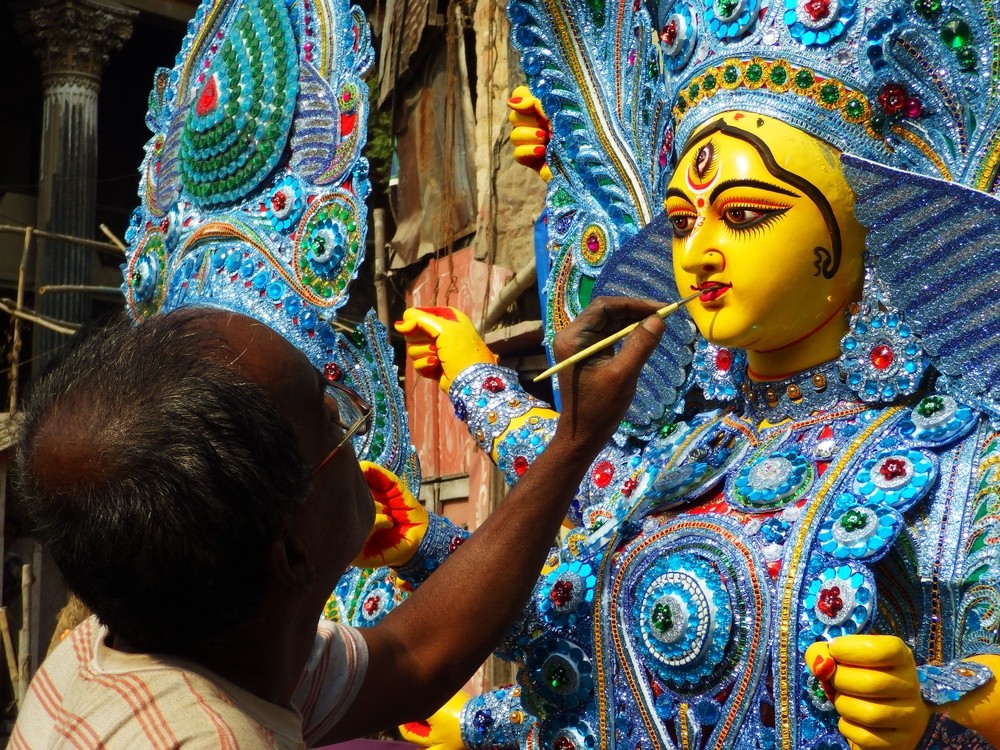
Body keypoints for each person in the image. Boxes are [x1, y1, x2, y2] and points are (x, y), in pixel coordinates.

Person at [389, 95, 1000, 750]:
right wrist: (423, 542)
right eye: (682, 222)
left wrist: (928, 710)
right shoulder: (681, 452)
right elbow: (574, 622)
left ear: (857, 227)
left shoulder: (954, 450)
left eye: (743, 215)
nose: (701, 251)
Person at [10, 296, 665, 748]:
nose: (354, 437)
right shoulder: (215, 736)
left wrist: (573, 442)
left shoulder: (140, 644)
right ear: (289, 552)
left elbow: (409, 660)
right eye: (331, 423)